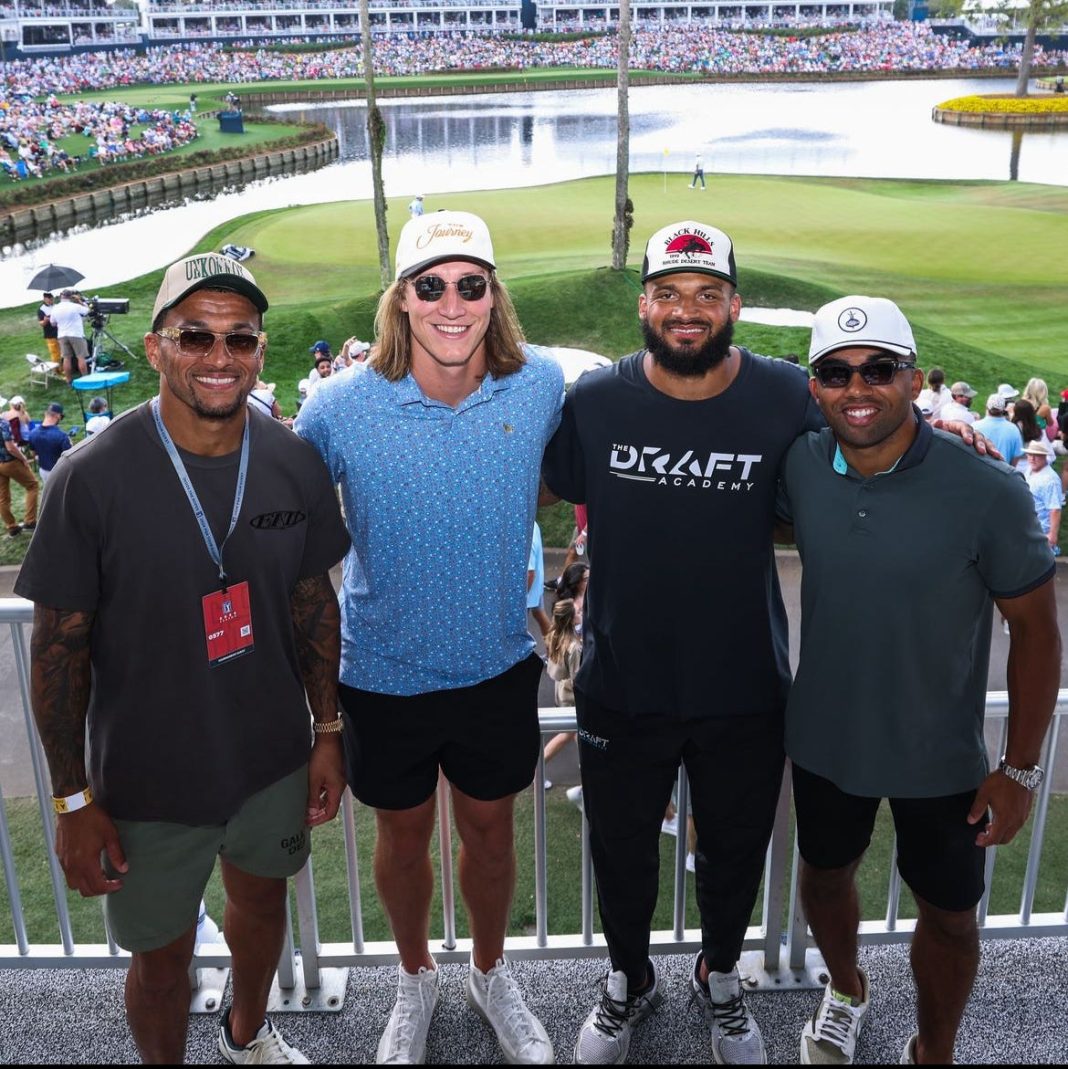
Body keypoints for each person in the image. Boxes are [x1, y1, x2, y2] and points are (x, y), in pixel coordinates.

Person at [14, 252, 352, 1065]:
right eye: (195, 335)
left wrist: (329, 729)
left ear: (261, 350)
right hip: (145, 776)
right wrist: (70, 800)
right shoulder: (90, 480)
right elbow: (57, 650)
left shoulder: (291, 459)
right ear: (159, 345)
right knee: (161, 962)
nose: (219, 356)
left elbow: (313, 603)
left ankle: (247, 1033)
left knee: (261, 905)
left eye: (240, 338)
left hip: (270, 756)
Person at [541, 219, 827, 1066]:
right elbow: (554, 480)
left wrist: (940, 433)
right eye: (669, 294)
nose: (687, 311)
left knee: (735, 850)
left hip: (743, 679)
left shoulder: (784, 395)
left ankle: (722, 976)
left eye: (707, 294)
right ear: (644, 304)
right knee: (621, 848)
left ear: (733, 304)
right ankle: (629, 978)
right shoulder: (596, 399)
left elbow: (868, 435)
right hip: (623, 680)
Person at [295, 210, 561, 1066]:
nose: (453, 302)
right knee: (402, 841)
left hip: (494, 667)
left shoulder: (542, 385)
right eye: (431, 284)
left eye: (471, 284)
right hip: (383, 671)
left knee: (490, 835)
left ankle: (488, 971)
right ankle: (414, 978)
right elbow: (279, 514)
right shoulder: (338, 406)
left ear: (494, 297)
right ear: (400, 300)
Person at [777, 294, 1061, 1066]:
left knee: (952, 916)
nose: (857, 388)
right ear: (814, 386)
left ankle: (934, 1047)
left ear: (912, 379)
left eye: (879, 369)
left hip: (942, 757)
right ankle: (845, 988)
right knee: (824, 877)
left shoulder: (987, 489)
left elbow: (1036, 630)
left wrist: (1021, 768)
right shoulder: (801, 464)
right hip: (827, 740)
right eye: (836, 372)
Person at [0, 393, 38, 537]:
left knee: (2, 497)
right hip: (10, 462)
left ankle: (12, 527)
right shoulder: (2, 423)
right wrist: (23, 458)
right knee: (32, 485)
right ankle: (30, 521)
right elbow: (10, 447)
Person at [1022, 438, 1063, 557]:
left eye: (1036, 455)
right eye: (1030, 455)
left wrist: (1052, 534)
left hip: (1041, 532)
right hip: (1029, 529)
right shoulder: (1030, 469)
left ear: (1044, 457)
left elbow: (1055, 509)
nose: (1032, 458)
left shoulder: (1050, 480)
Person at [49, 289, 90, 385]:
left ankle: (69, 380)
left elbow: (53, 323)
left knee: (66, 358)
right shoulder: (75, 306)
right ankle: (85, 378)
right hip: (76, 334)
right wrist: (80, 301)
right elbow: (87, 310)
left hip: (62, 335)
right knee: (81, 357)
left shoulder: (55, 308)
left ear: (61, 297)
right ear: (70, 297)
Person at [972, 392, 1023, 468]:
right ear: (1004, 409)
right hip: (1003, 475)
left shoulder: (974, 426)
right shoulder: (1013, 429)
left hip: (979, 473)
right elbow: (1016, 457)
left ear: (987, 407)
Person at [27, 401, 72, 483]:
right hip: (58, 472)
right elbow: (70, 458)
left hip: (43, 471)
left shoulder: (32, 433)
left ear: (45, 414)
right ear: (57, 416)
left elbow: (33, 454)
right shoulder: (62, 436)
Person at [527, 521, 551, 639]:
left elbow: (529, 573)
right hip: (536, 584)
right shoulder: (533, 523)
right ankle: (555, 652)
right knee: (539, 614)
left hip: (528, 590)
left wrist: (519, 600)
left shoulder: (525, 533)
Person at [37, 292, 61, 366]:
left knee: (64, 353)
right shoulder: (41, 309)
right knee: (55, 354)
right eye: (49, 299)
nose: (51, 301)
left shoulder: (57, 306)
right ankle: (57, 371)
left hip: (61, 332)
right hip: (50, 335)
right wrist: (45, 321)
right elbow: (41, 323)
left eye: (52, 299)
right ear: (44, 299)